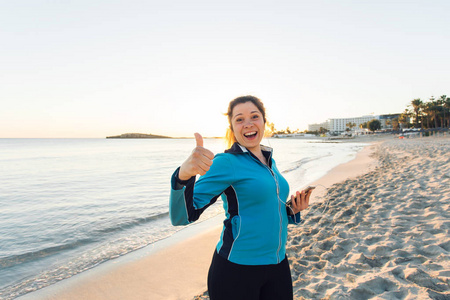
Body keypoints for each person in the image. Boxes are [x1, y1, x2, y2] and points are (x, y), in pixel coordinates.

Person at [169, 95, 312, 300]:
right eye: (239, 119)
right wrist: (183, 175)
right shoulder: (226, 162)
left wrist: (292, 210)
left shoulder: (268, 159)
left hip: (278, 264)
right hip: (237, 270)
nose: (248, 124)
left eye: (254, 116)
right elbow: (183, 216)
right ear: (232, 128)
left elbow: (263, 206)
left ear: (264, 122)